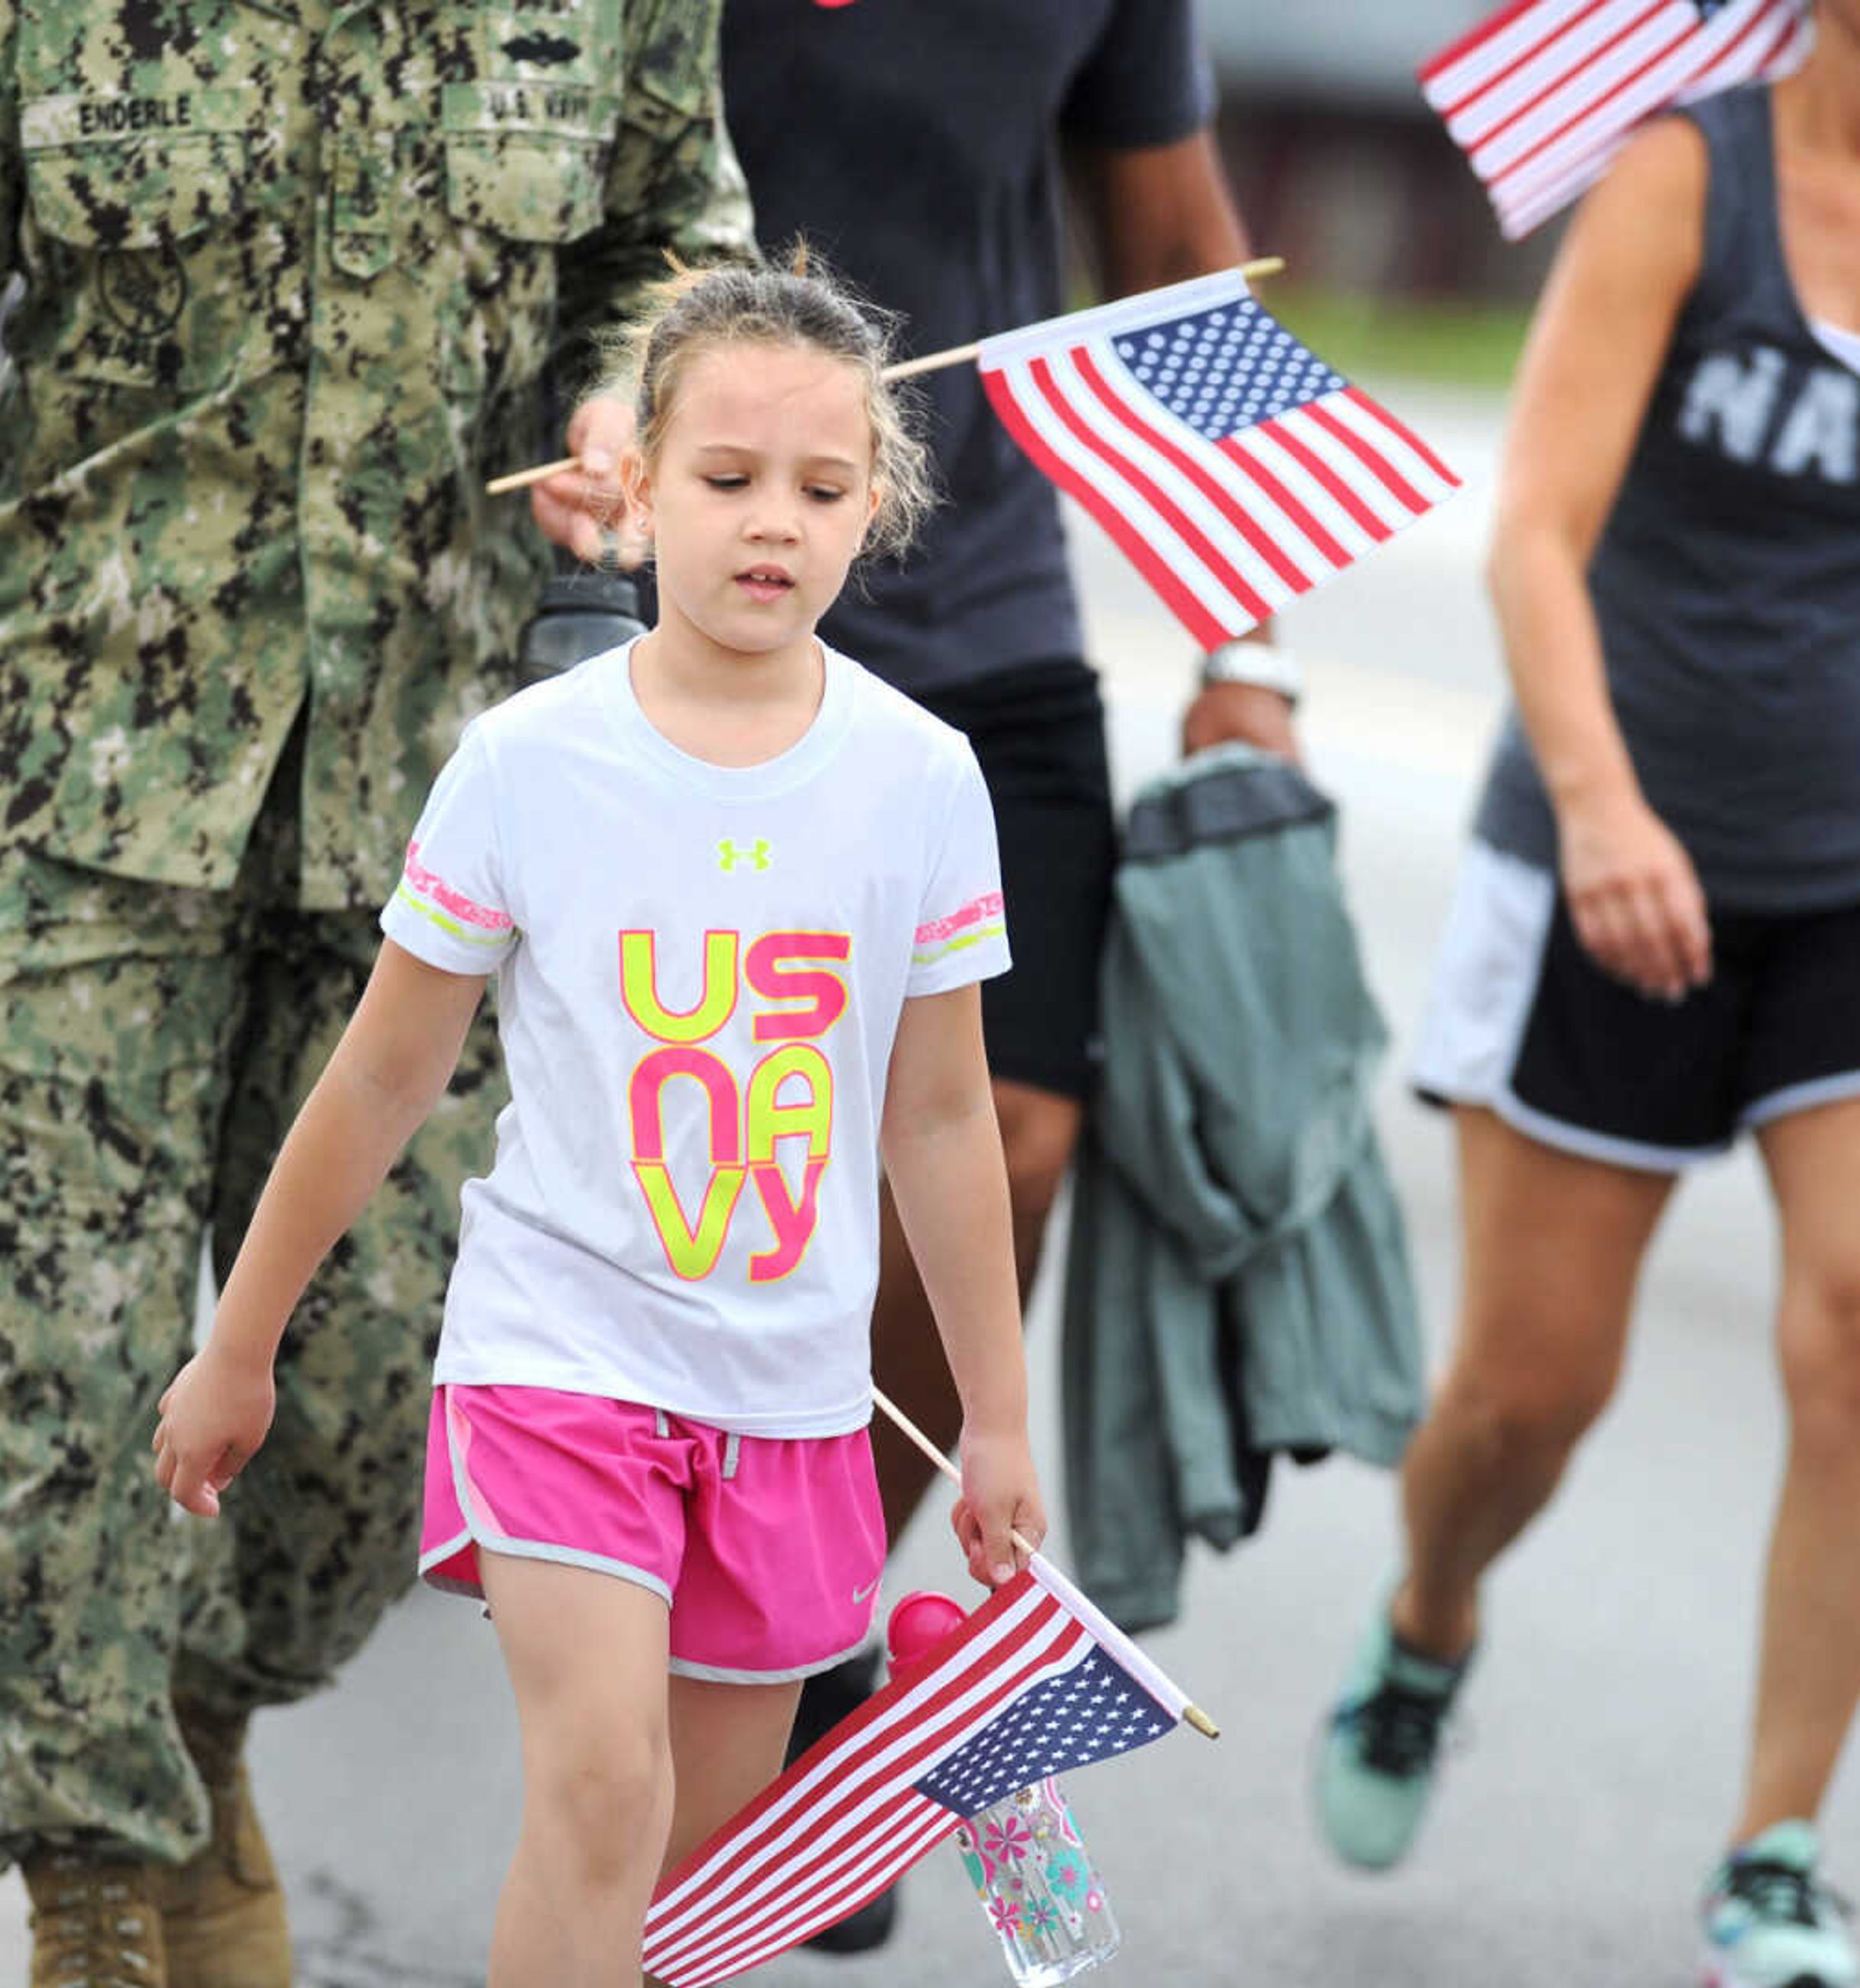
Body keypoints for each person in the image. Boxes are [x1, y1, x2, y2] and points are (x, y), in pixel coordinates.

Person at [0, 2, 749, 1980]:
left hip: (435, 827)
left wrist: (625, 412)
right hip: (80, 794)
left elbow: (678, 249)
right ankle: (97, 1896)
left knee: (371, 1428)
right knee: (76, 1402)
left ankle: (189, 1731)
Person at [1309, 7, 1860, 1985]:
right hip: (1613, 870)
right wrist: (1600, 809)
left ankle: (1775, 1849)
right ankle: (1431, 1616)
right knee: (1529, 1395)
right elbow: (1534, 533)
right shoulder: (1688, 177)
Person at [153, 257, 1048, 1988]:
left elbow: (940, 1123)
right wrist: (240, 1346)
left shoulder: (922, 778)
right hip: (561, 1361)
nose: (770, 524)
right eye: (725, 480)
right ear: (633, 487)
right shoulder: (527, 762)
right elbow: (383, 1075)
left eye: (821, 486)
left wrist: (998, 1418)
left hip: (792, 1398)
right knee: (597, 1786)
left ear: (880, 506)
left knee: (690, 1889)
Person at [713, 3, 1297, 1944]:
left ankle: (807, 1642)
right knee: (702, 1161)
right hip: (677, 592)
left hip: (982, 608)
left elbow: (1178, 248)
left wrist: (1250, 636)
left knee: (1016, 1137)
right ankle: (668, 1598)